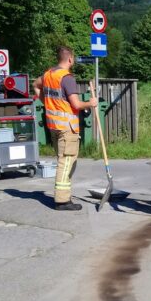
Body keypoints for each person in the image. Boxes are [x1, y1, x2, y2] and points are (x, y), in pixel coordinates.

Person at [39, 46, 97, 211]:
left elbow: (36, 86)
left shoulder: (48, 74)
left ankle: (64, 194)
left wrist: (47, 102)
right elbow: (76, 104)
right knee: (66, 162)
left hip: (54, 126)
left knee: (64, 160)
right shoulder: (67, 78)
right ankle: (62, 200)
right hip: (67, 128)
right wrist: (91, 104)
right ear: (70, 59)